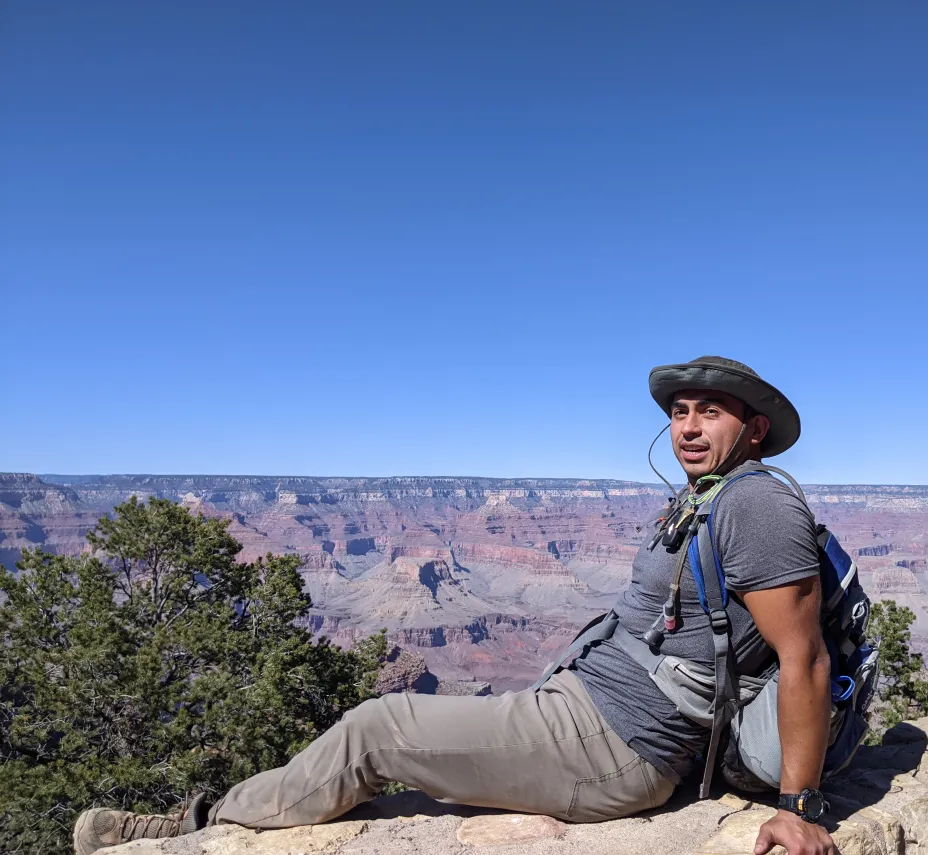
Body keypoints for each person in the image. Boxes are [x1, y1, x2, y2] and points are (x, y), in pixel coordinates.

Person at [74, 356, 840, 855]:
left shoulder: (756, 508)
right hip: (585, 708)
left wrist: (798, 806)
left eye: (710, 412)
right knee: (408, 749)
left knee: (375, 729)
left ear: (756, 429)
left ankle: (194, 824)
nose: (688, 427)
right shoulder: (705, 498)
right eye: (679, 411)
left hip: (618, 747)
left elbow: (804, 657)